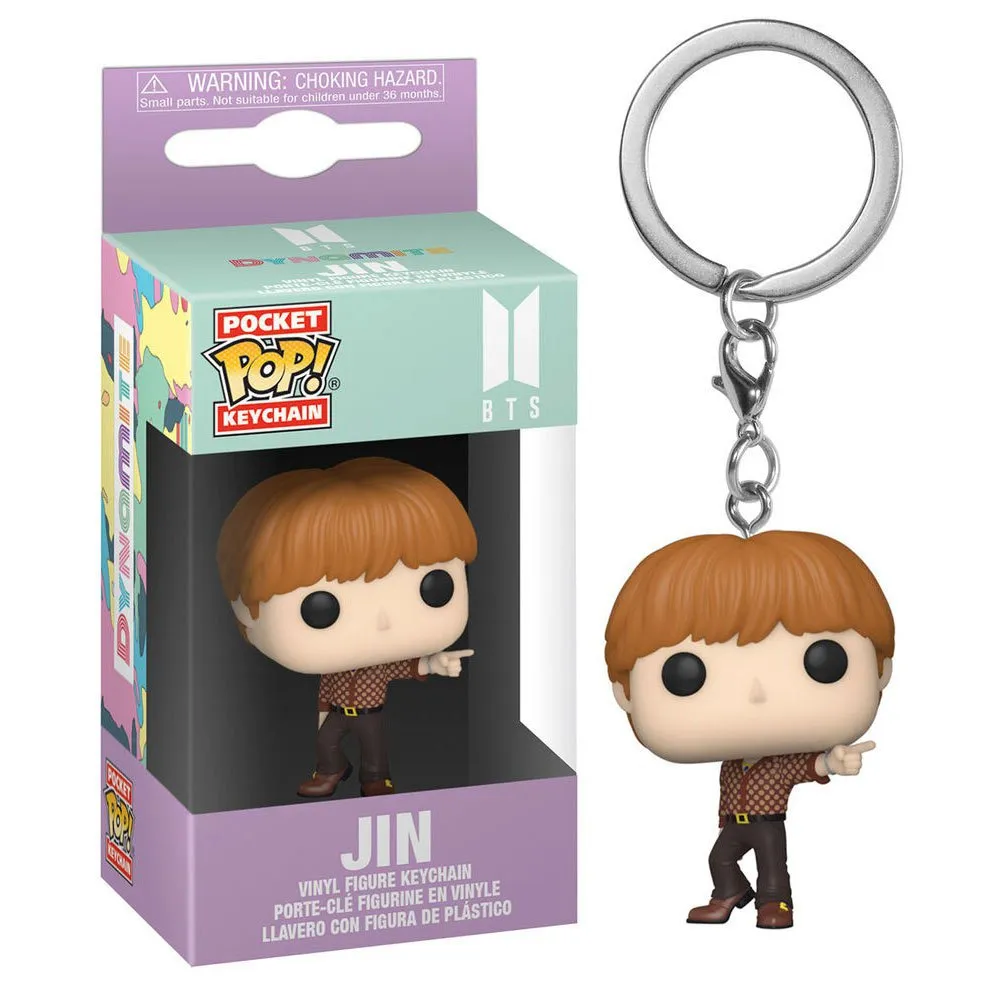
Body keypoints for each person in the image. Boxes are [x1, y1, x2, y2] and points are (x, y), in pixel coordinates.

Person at [604, 531, 893, 928]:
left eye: (823, 662)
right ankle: (730, 892)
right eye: (685, 675)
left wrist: (833, 761)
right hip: (734, 823)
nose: (756, 693)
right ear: (625, 692)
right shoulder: (733, 761)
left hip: (767, 823)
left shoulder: (780, 763)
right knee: (719, 859)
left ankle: (776, 904)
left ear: (881, 670)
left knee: (773, 868)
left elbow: (807, 767)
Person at [217, 457, 477, 798]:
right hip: (340, 713)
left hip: (370, 714)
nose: (383, 622)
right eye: (321, 609)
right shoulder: (333, 670)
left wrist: (434, 662)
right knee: (325, 742)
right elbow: (325, 694)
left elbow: (404, 667)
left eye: (434, 588)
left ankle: (376, 779)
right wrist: (322, 717)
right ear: (242, 606)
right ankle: (331, 770)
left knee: (374, 750)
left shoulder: (376, 665)